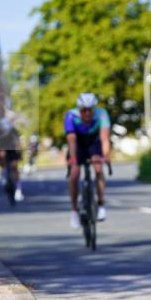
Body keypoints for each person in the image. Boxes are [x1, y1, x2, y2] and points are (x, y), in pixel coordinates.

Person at [64, 93, 112, 228]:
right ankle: (74, 210)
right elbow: (72, 139)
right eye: (83, 110)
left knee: (98, 168)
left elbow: (104, 138)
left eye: (90, 109)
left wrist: (106, 155)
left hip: (94, 141)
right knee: (74, 174)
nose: (87, 113)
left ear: (94, 108)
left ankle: (101, 204)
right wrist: (73, 158)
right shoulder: (71, 115)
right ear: (79, 109)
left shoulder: (102, 114)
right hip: (78, 143)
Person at [0, 117, 25, 202]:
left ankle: (18, 189)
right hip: (3, 151)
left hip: (12, 150)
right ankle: (4, 176)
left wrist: (20, 152)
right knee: (2, 161)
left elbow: (18, 142)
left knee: (15, 167)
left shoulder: (13, 130)